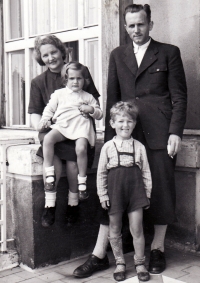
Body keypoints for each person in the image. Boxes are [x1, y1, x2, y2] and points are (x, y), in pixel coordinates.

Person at [73, 3, 187, 277]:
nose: (136, 29)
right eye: (131, 25)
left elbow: (179, 96)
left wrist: (175, 131)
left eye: (141, 24)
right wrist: (110, 140)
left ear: (150, 24)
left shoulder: (169, 53)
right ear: (125, 28)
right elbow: (113, 97)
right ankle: (100, 253)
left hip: (159, 134)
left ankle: (157, 249)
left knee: (160, 189)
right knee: (113, 191)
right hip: (124, 133)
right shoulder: (117, 55)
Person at [28, 35, 100, 228]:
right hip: (54, 126)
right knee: (53, 163)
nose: (51, 57)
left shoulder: (78, 70)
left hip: (78, 127)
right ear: (41, 58)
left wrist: (89, 112)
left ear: (62, 51)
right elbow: (35, 111)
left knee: (73, 165)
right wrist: (41, 125)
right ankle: (50, 205)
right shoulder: (38, 82)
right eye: (45, 55)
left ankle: (73, 204)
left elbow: (94, 102)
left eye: (54, 52)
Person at [97, 101, 151, 282]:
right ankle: (120, 263)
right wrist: (103, 195)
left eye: (129, 121)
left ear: (134, 123)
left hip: (136, 192)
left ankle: (140, 263)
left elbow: (146, 173)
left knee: (137, 228)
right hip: (115, 192)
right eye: (120, 121)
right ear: (112, 123)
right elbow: (101, 173)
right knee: (114, 228)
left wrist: (147, 194)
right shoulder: (108, 147)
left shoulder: (139, 147)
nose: (125, 125)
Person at [38, 61, 103, 204]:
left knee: (81, 148)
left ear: (85, 80)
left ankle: (82, 182)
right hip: (63, 125)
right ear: (66, 79)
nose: (75, 82)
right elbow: (49, 109)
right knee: (48, 139)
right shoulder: (59, 94)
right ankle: (49, 174)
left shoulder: (88, 97)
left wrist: (91, 110)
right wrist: (45, 120)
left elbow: (99, 114)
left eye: (79, 78)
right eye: (71, 78)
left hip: (80, 128)